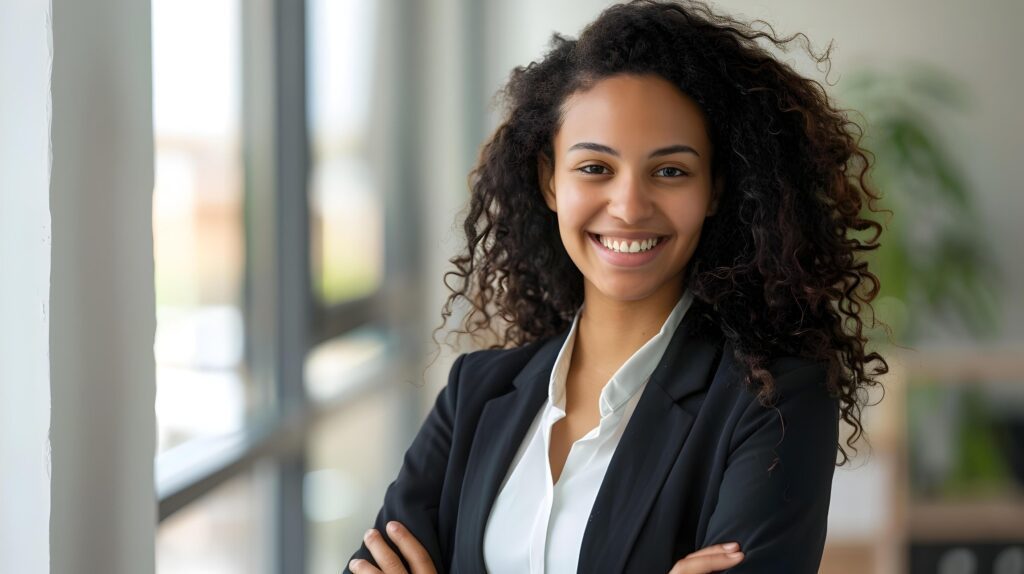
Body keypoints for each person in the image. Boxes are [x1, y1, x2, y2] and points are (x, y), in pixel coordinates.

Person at [345, 0, 889, 572]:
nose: (629, 206)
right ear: (550, 180)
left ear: (716, 189)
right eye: (595, 168)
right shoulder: (476, 394)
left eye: (670, 171)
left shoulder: (774, 401)